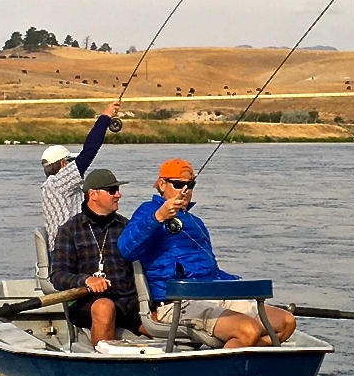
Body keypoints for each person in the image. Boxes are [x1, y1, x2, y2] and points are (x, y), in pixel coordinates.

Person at [118, 158, 295, 348]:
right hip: (176, 303)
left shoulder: (197, 223)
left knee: (286, 322)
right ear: (162, 184)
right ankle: (233, 363)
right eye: (178, 185)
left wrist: (238, 285)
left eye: (190, 184)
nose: (185, 191)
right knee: (248, 330)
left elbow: (212, 270)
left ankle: (242, 350)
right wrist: (158, 217)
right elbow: (126, 249)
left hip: (214, 294)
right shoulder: (148, 211)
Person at [49, 168, 143, 344]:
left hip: (128, 301)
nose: (118, 195)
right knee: (104, 307)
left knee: (161, 321)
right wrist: (86, 281)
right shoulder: (69, 230)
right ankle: (104, 365)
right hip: (88, 303)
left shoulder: (126, 226)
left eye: (117, 190)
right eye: (112, 190)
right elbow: (58, 276)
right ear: (93, 194)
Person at [40, 100, 121, 246]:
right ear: (63, 165)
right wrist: (105, 116)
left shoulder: (54, 187)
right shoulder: (58, 184)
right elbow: (89, 150)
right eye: (71, 162)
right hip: (67, 252)